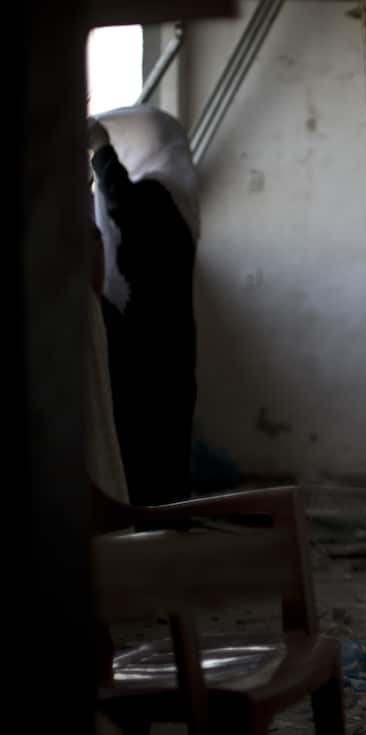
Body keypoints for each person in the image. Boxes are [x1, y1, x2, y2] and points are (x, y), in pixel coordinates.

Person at [89, 105, 199, 505]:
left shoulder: (160, 195)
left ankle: (154, 534)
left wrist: (102, 150)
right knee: (160, 462)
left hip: (149, 349)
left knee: (149, 462)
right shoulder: (178, 201)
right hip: (164, 349)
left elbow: (124, 205)